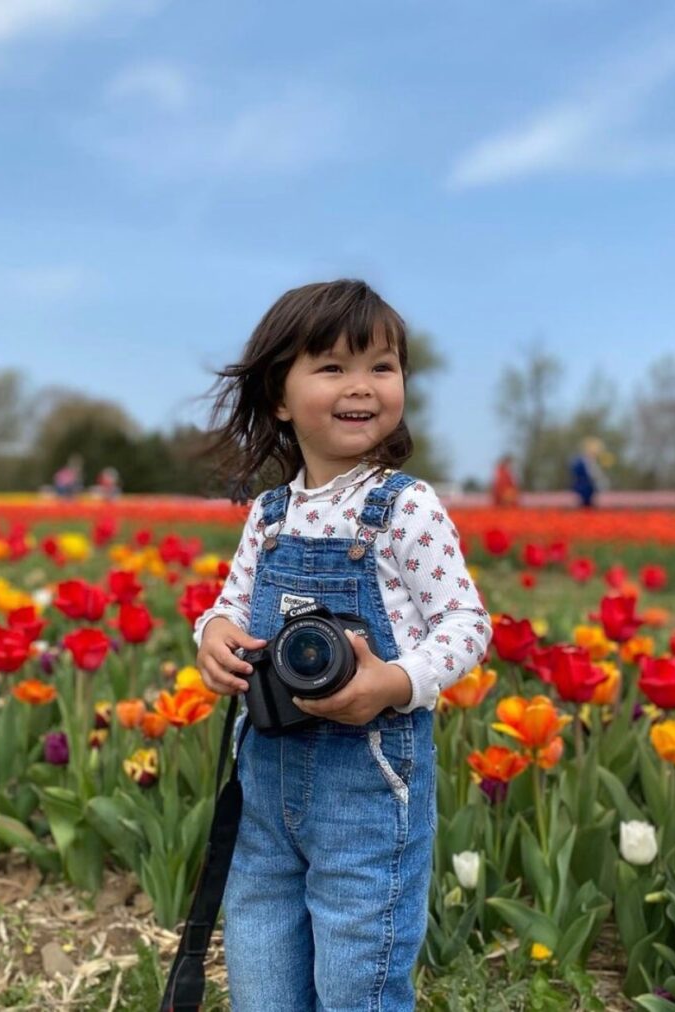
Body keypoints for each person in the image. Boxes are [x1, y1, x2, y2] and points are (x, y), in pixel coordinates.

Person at [192, 279, 491, 1011]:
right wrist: (214, 635)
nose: (362, 387)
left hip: (367, 789)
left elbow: (466, 625)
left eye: (381, 367)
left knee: (357, 985)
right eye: (332, 367)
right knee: (261, 971)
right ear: (279, 396)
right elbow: (228, 605)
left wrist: (391, 683)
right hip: (264, 783)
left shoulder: (404, 506)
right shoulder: (267, 515)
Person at [569, 436, 608, 508]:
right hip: (584, 486)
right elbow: (592, 474)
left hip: (588, 487)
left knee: (588, 505)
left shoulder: (590, 461)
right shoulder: (581, 461)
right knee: (585, 505)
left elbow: (596, 475)